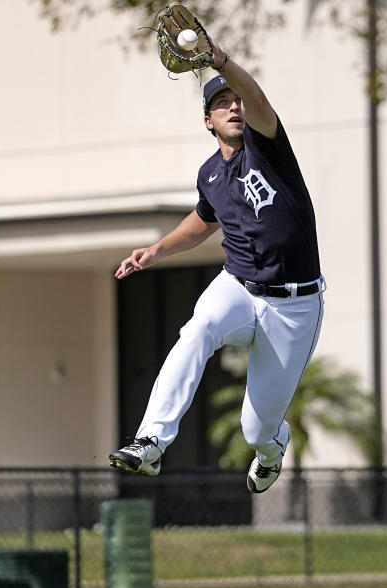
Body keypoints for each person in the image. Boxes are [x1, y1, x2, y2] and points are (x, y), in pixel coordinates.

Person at [108, 37, 324, 494]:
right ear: (208, 120)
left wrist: (220, 61)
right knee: (199, 327)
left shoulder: (267, 147)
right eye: (222, 103)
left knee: (254, 429)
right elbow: (204, 219)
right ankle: (151, 443)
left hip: (294, 306)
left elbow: (259, 99)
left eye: (236, 100)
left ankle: (271, 447)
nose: (234, 107)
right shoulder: (210, 173)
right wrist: (155, 251)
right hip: (240, 287)